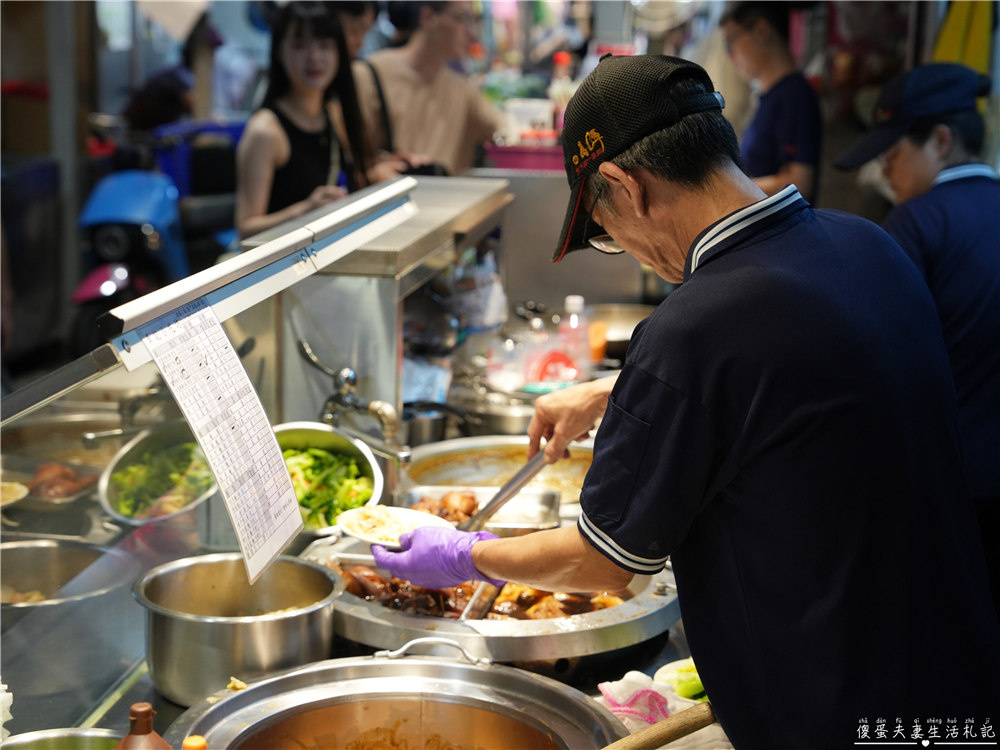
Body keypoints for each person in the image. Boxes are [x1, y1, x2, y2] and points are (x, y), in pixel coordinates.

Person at [371, 55, 1000, 748]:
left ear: (624, 185)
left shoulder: (695, 328)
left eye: (606, 231)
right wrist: (622, 387)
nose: (631, 252)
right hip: (953, 683)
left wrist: (466, 553)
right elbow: (804, 377)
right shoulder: (867, 244)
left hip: (828, 714)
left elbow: (604, 562)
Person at [834, 63, 1000, 623]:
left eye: (893, 152)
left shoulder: (915, 224)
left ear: (943, 140)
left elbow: (868, 363)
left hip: (948, 492)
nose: (884, 168)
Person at [235, 2, 368, 239]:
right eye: (299, 45)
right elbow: (246, 229)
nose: (314, 57)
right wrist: (306, 210)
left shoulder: (334, 115)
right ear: (278, 51)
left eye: (324, 45)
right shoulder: (266, 131)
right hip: (283, 269)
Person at [352, 1, 505, 176]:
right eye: (463, 19)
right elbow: (343, 161)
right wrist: (374, 172)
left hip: (448, 201)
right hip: (389, 200)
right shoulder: (367, 77)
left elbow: (506, 131)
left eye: (474, 21)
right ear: (428, 17)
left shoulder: (464, 92)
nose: (471, 33)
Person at [720, 1, 822, 201]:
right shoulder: (771, 98)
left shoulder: (795, 95)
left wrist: (728, 188)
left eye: (730, 42)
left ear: (761, 30)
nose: (729, 55)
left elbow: (800, 184)